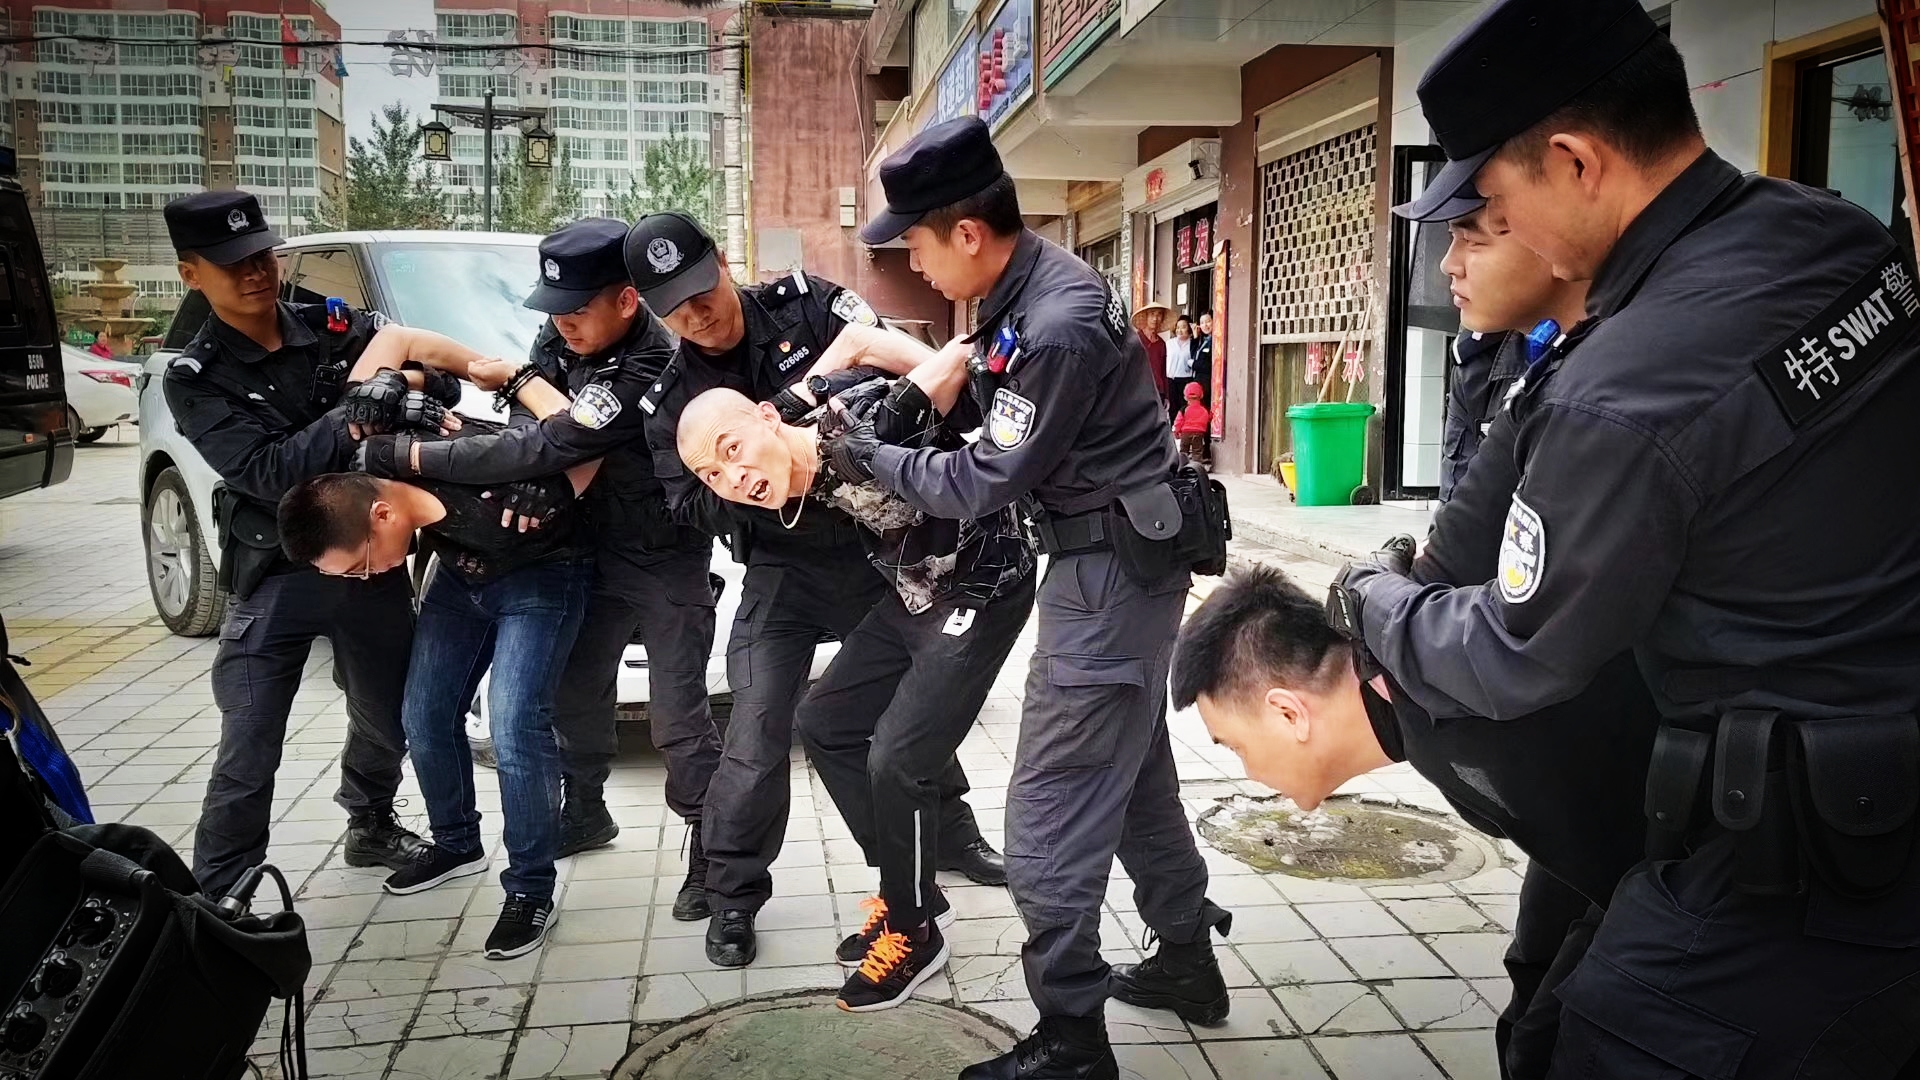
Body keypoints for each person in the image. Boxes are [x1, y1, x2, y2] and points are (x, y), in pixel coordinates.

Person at [1332, 1, 1920, 1074]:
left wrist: (1372, 599)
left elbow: (1513, 652)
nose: (1492, 233)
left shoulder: (1630, 384)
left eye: (1494, 204)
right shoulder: (1827, 231)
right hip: (1867, 784)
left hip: (1806, 855)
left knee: (1594, 1041)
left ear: (1570, 160)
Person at [827, 116, 1232, 1079]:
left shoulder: (1051, 319)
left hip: (1104, 579)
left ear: (967, 232)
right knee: (1132, 781)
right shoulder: (1026, 293)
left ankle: (1072, 1039)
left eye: (915, 242)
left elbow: (982, 481)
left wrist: (867, 455)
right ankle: (1187, 962)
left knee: (1047, 812)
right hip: (1116, 570)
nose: (913, 264)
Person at [626, 211, 1006, 970]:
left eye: (703, 288)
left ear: (725, 261)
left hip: (878, 549)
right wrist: (749, 472)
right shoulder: (669, 400)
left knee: (909, 711)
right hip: (782, 569)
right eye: (674, 305)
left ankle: (947, 837)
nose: (696, 311)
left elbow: (894, 367)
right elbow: (688, 505)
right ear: (650, 309)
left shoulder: (807, 305)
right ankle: (731, 891)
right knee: (759, 727)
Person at [354, 218, 725, 924]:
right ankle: (584, 811)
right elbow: (534, 435)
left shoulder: (653, 361)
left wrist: (524, 454)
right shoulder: (561, 333)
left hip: (659, 553)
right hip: (581, 545)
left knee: (679, 717)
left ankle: (711, 852)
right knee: (576, 695)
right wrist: (544, 475)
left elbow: (558, 434)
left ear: (624, 301)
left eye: (577, 310)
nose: (561, 325)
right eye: (554, 310)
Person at [162, 190, 495, 897]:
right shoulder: (195, 378)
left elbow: (436, 379)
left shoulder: (333, 321)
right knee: (249, 738)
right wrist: (356, 413)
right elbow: (267, 471)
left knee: (388, 712)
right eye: (231, 265)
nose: (254, 273)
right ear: (192, 274)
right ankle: (222, 888)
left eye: (260, 256)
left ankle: (369, 822)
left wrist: (396, 378)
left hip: (370, 563)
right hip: (279, 569)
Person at [678, 371, 1036, 1012]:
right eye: (713, 475)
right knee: (826, 721)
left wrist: (853, 365)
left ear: (766, 418)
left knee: (897, 759)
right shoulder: (796, 478)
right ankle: (913, 893)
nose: (732, 479)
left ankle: (913, 930)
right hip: (915, 591)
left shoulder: (865, 425)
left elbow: (952, 360)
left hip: (980, 589)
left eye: (732, 450)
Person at [277, 444, 592, 957]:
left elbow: (577, 438)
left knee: (515, 726)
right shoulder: (380, 464)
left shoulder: (485, 485)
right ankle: (456, 842)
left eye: (360, 564)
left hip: (544, 576)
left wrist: (552, 485)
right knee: (422, 716)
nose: (368, 576)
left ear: (383, 516)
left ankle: (530, 889)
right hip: (458, 577)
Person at [1434, 206, 1586, 503]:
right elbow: (1456, 520)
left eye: (1473, 240)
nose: (1449, 264)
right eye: (1453, 238)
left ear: (1553, 246)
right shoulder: (1477, 365)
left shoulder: (1623, 366)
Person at [1132, 300, 1170, 406]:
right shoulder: (1136, 339)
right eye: (1152, 314)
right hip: (1140, 390)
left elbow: (1163, 371)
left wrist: (1166, 396)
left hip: (1158, 390)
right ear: (1146, 317)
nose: (1155, 318)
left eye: (1159, 315)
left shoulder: (1161, 343)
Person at [1164, 315, 1197, 424]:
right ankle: (1174, 430)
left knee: (1184, 407)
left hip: (1185, 379)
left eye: (1183, 327)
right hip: (1171, 379)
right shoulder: (1169, 343)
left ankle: (1184, 431)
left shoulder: (1193, 344)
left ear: (1189, 328)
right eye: (1178, 327)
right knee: (1172, 407)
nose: (1180, 330)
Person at [1172, 382, 1210, 466]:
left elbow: (1178, 421)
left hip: (1185, 433)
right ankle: (1197, 469)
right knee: (1197, 452)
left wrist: (1176, 432)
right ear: (1201, 395)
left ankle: (1182, 468)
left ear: (1185, 397)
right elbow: (1208, 419)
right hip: (1199, 433)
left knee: (1183, 452)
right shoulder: (1204, 410)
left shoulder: (1184, 409)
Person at [1192, 312, 1214, 408]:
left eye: (1208, 321)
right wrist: (1196, 337)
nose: (1205, 325)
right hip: (1199, 381)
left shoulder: (1215, 340)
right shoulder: (1204, 340)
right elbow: (1193, 355)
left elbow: (1210, 364)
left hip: (1208, 383)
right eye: (1202, 323)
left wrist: (1194, 364)